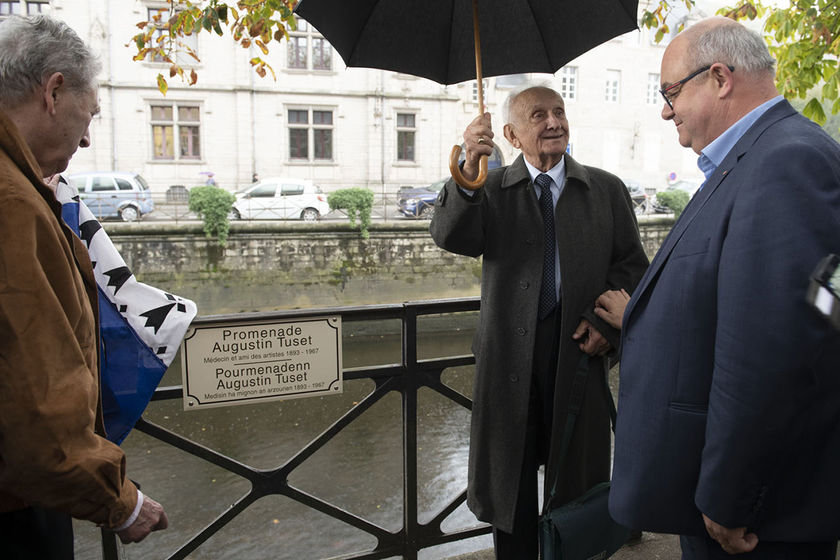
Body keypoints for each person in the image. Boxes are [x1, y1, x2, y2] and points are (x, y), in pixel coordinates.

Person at [608, 17, 840, 559]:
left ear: (719, 77)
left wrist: (730, 496)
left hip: (754, 519)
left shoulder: (787, 162)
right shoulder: (763, 155)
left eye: (670, 92)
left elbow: (777, 349)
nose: (666, 110)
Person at [430, 85, 648, 557]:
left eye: (559, 111)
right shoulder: (486, 187)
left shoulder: (605, 189)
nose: (553, 122)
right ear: (510, 133)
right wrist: (467, 167)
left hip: (577, 351)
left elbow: (632, 267)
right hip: (509, 355)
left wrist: (606, 326)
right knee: (510, 485)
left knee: (577, 486)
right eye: (538, 115)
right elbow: (451, 236)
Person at [0, 15, 168, 557]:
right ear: (53, 92)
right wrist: (119, 502)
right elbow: (33, 392)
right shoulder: (13, 205)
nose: (89, 135)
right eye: (88, 113)